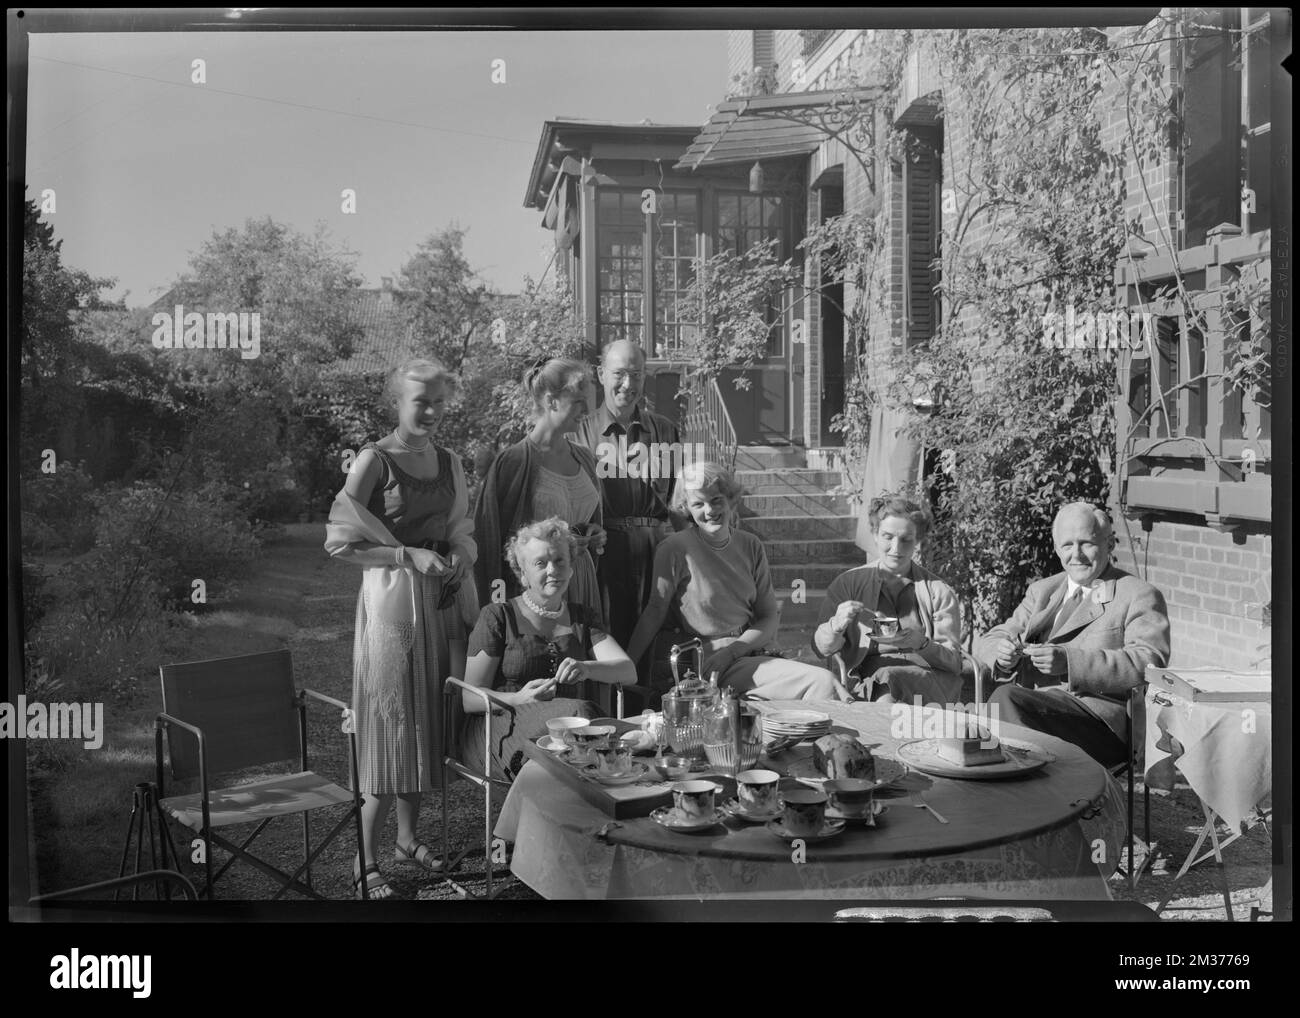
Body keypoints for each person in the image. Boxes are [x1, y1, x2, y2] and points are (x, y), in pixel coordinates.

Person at [324, 358, 479, 900]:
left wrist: (459, 553)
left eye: (439, 400)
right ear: (398, 400)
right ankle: (365, 861)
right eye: (421, 401)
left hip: (440, 601)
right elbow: (340, 539)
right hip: (391, 607)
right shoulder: (374, 461)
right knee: (389, 725)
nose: (432, 410)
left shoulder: (451, 462)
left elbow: (461, 527)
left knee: (427, 719)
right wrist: (403, 553)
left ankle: (406, 838)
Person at [626, 461, 849, 704]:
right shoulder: (674, 549)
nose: (709, 510)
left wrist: (733, 651)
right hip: (702, 664)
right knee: (822, 682)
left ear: (731, 499)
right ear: (686, 508)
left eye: (716, 500)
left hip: (745, 655)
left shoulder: (750, 545)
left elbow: (768, 616)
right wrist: (627, 667)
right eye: (698, 504)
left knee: (820, 685)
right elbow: (654, 612)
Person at [976, 502, 1171, 767]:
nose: (1076, 554)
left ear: (1109, 545)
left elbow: (1150, 663)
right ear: (1057, 549)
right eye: (1067, 545)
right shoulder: (1043, 591)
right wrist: (1002, 654)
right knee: (1004, 710)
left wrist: (1070, 662)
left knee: (1005, 702)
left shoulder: (1138, 594)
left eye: (1086, 543)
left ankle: (1019, 796)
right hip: (1034, 711)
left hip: (1099, 723)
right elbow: (991, 638)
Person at [461, 517, 636, 780]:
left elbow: (628, 671)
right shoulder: (498, 616)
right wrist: (518, 698)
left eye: (559, 561)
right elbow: (470, 698)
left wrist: (586, 668)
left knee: (578, 722)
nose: (553, 570)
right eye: (540, 563)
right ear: (522, 573)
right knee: (582, 718)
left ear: (572, 568)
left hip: (569, 731)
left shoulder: (582, 618)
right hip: (502, 728)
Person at [473, 359, 607, 626]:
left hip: (581, 579)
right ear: (551, 401)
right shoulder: (514, 462)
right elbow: (490, 539)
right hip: (536, 587)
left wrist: (595, 534)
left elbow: (591, 521)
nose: (586, 409)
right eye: (579, 400)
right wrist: (496, 609)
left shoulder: (584, 458)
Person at [570, 340, 683, 650]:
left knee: (654, 642)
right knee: (602, 639)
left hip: (656, 552)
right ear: (601, 374)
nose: (628, 384)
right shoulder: (578, 433)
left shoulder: (665, 432)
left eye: (637, 373)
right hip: (601, 554)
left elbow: (677, 503)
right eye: (619, 373)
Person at [811, 496, 963, 704]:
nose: (896, 548)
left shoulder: (938, 591)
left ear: (918, 540)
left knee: (889, 678)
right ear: (874, 534)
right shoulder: (848, 584)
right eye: (887, 536)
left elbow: (954, 662)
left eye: (906, 539)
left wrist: (922, 643)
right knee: (886, 678)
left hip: (927, 679)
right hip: (867, 679)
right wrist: (835, 626)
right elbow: (821, 649)